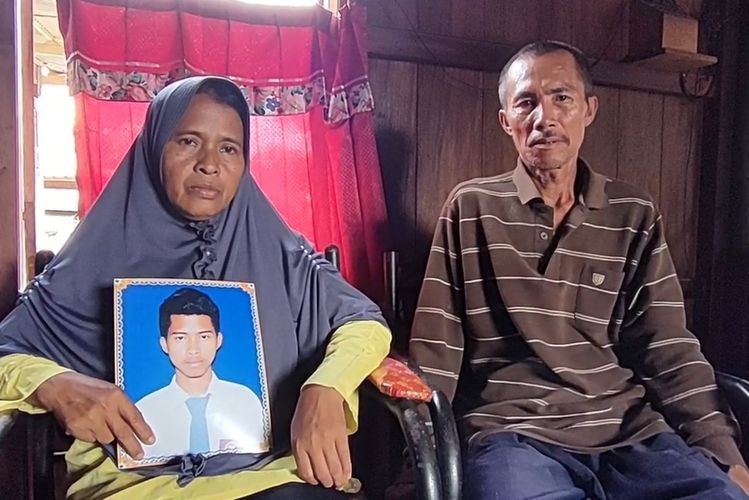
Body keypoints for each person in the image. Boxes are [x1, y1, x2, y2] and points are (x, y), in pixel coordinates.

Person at [0, 76, 391, 500]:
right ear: (155, 147)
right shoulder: (90, 259)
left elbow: (364, 323)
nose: (210, 163)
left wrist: (326, 388)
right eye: (187, 141)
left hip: (272, 477)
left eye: (229, 148)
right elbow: (6, 355)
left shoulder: (277, 248)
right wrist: (56, 384)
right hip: (137, 486)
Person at [409, 40, 749, 499]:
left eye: (561, 97)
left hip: (629, 432)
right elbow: (435, 353)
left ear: (589, 110)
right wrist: (417, 467)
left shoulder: (634, 213)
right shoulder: (471, 208)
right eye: (526, 102)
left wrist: (724, 453)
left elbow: (668, 348)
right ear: (506, 121)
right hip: (512, 433)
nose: (544, 118)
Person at [135, 287, 267, 458]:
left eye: (203, 337)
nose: (193, 349)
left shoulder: (246, 401)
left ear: (218, 340)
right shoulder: (145, 411)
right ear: (164, 344)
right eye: (180, 338)